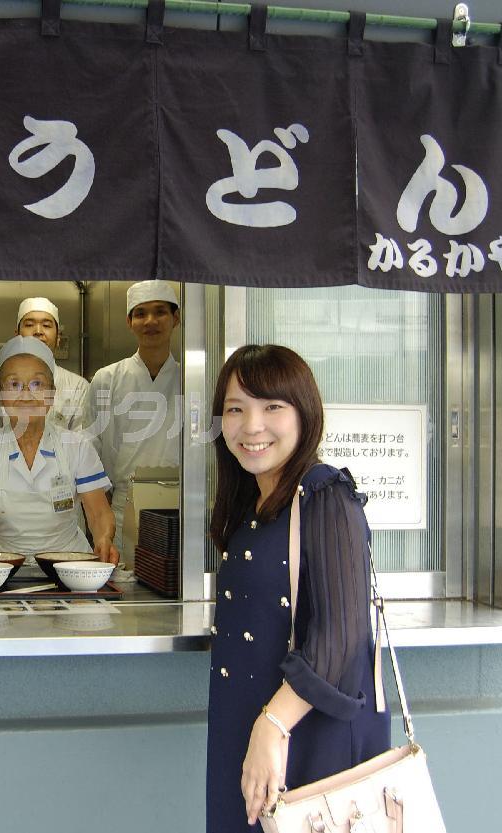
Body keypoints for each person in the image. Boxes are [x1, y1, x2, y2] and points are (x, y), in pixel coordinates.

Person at [205, 344, 390, 832]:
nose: (252, 426)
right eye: (235, 409)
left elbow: (342, 636)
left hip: (307, 740)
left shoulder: (327, 496)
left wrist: (273, 726)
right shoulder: (251, 503)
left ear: (304, 415)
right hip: (247, 730)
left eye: (272, 407)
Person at [0, 335, 117, 566]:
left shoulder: (77, 446)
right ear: (0, 396)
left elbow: (98, 512)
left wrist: (104, 538)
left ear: (52, 394)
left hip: (68, 567)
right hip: (0, 568)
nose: (25, 394)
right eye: (14, 384)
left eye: (37, 384)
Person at [86, 279, 181, 555]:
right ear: (129, 322)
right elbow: (90, 450)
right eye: (140, 313)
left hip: (181, 505)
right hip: (121, 506)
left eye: (160, 311)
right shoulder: (107, 379)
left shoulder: (191, 380)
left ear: (176, 318)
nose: (150, 321)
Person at [0, 297, 89, 434]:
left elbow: (83, 445)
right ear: (17, 336)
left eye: (46, 325)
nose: (38, 331)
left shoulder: (78, 388)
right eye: (29, 325)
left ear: (58, 337)